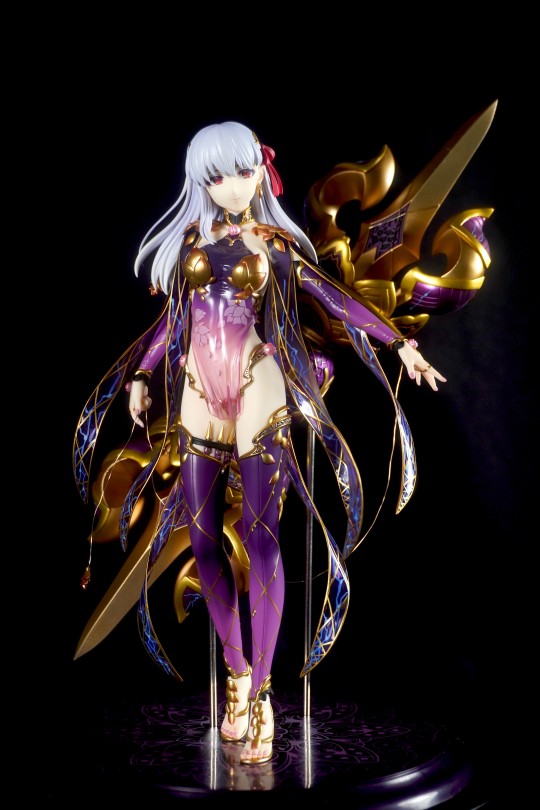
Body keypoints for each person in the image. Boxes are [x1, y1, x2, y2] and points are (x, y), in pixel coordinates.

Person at [73, 121, 446, 766]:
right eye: (218, 175)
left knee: (263, 537)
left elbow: (333, 298)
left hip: (257, 385)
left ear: (260, 174)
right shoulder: (192, 243)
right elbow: (172, 322)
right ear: (201, 181)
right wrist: (138, 377)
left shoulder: (273, 247)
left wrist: (400, 344)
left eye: (244, 171)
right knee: (204, 539)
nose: (232, 185)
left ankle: (264, 693)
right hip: (198, 391)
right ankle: (238, 672)